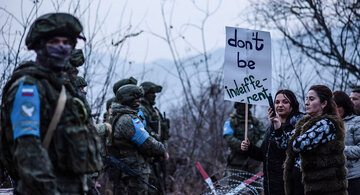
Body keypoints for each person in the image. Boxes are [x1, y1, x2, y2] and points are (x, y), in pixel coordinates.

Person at [0, 13, 102, 194]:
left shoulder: (61, 87)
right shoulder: (29, 88)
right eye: (54, 42)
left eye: (67, 42)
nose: (62, 47)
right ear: (39, 46)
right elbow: (28, 149)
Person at [273, 85, 347, 195]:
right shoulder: (304, 122)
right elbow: (284, 144)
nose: (307, 102)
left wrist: (292, 138)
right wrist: (277, 124)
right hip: (301, 182)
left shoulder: (326, 124)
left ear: (324, 103)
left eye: (311, 99)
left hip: (321, 186)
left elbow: (298, 145)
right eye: (306, 99)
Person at [107, 84, 168, 194]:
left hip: (129, 168)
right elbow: (147, 143)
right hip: (134, 168)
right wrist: (162, 149)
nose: (139, 100)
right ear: (127, 99)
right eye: (135, 97)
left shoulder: (118, 116)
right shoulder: (127, 119)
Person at [241, 90, 303, 195]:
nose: (280, 105)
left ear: (293, 105)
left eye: (285, 102)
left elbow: (288, 150)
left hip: (289, 187)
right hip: (270, 186)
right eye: (277, 102)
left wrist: (279, 129)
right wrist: (249, 148)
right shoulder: (271, 127)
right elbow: (264, 155)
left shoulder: (298, 126)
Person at [139, 81, 170, 195]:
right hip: (149, 155)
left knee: (161, 185)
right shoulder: (142, 109)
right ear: (146, 94)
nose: (154, 95)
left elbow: (163, 134)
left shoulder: (154, 111)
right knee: (152, 187)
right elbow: (144, 130)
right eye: (152, 93)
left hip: (158, 154)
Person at [223, 103, 265, 176]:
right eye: (241, 105)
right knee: (236, 186)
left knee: (254, 186)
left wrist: (255, 148)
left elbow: (264, 135)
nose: (244, 108)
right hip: (237, 163)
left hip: (254, 164)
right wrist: (243, 146)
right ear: (237, 106)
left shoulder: (255, 121)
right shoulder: (231, 121)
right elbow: (228, 137)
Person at [334, 91, 360, 195]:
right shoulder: (330, 124)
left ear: (345, 106)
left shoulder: (357, 122)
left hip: (354, 178)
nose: (336, 109)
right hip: (335, 178)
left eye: (338, 106)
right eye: (333, 106)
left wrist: (340, 148)